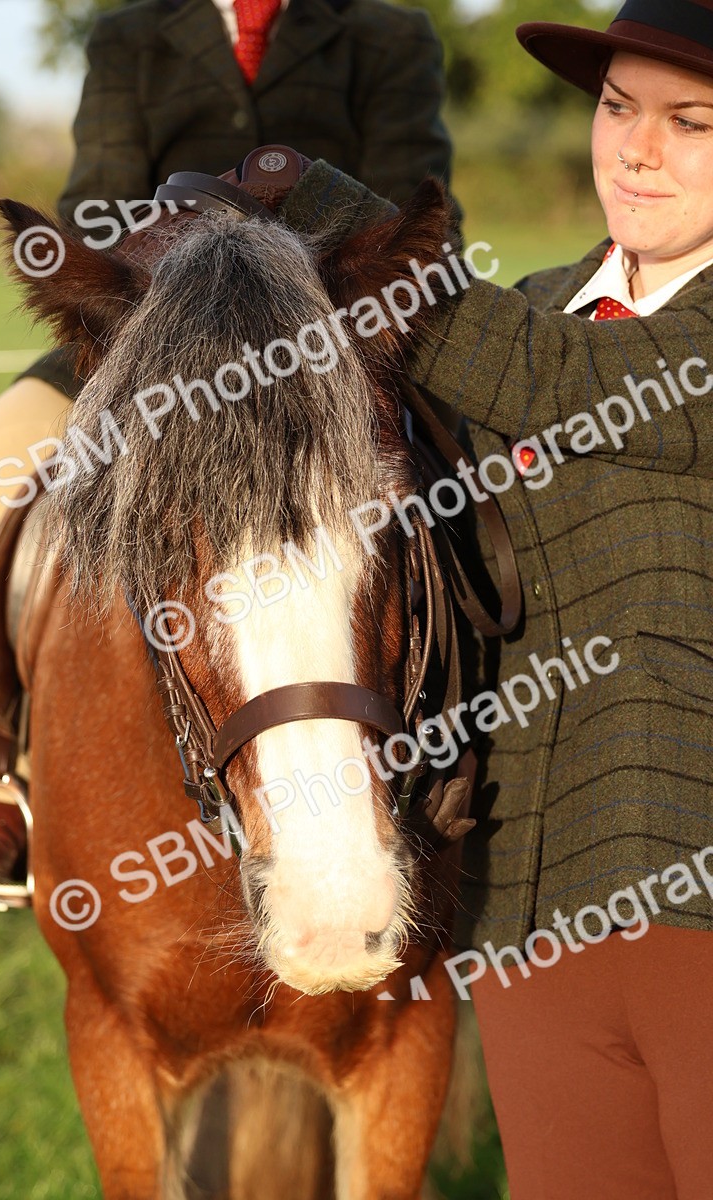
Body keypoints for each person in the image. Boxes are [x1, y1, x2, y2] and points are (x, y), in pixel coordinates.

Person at [259, 1, 713, 1196]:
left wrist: (321, 205)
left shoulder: (528, 346)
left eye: (689, 121)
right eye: (618, 108)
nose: (636, 149)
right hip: (525, 913)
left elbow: (561, 379)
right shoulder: (535, 306)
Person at [0, 0, 456, 893]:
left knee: (482, 470)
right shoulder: (129, 35)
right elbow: (96, 202)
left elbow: (421, 200)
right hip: (153, 322)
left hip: (335, 327)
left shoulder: (388, 32)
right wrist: (193, 268)